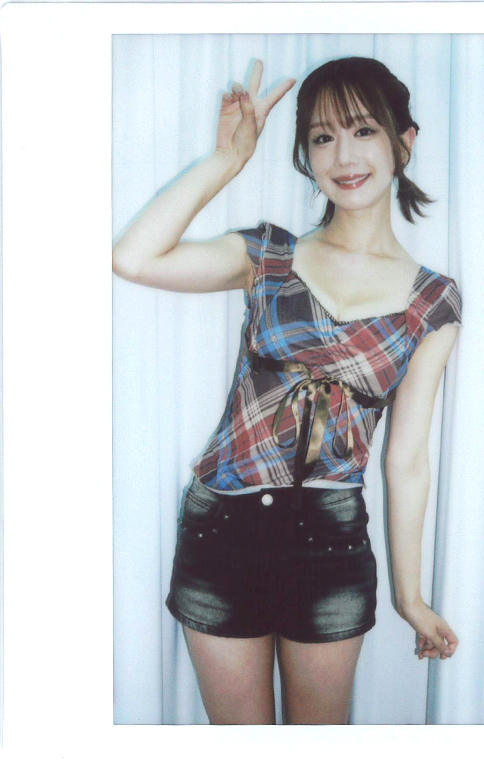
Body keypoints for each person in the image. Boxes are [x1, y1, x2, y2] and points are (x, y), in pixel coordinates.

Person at [113, 55, 461, 725]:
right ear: (305, 154)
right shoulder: (268, 258)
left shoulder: (432, 303)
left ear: (404, 141)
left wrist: (410, 597)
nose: (343, 155)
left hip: (330, 545)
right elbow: (133, 257)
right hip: (223, 532)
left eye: (363, 130)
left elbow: (408, 459)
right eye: (323, 137)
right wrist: (226, 161)